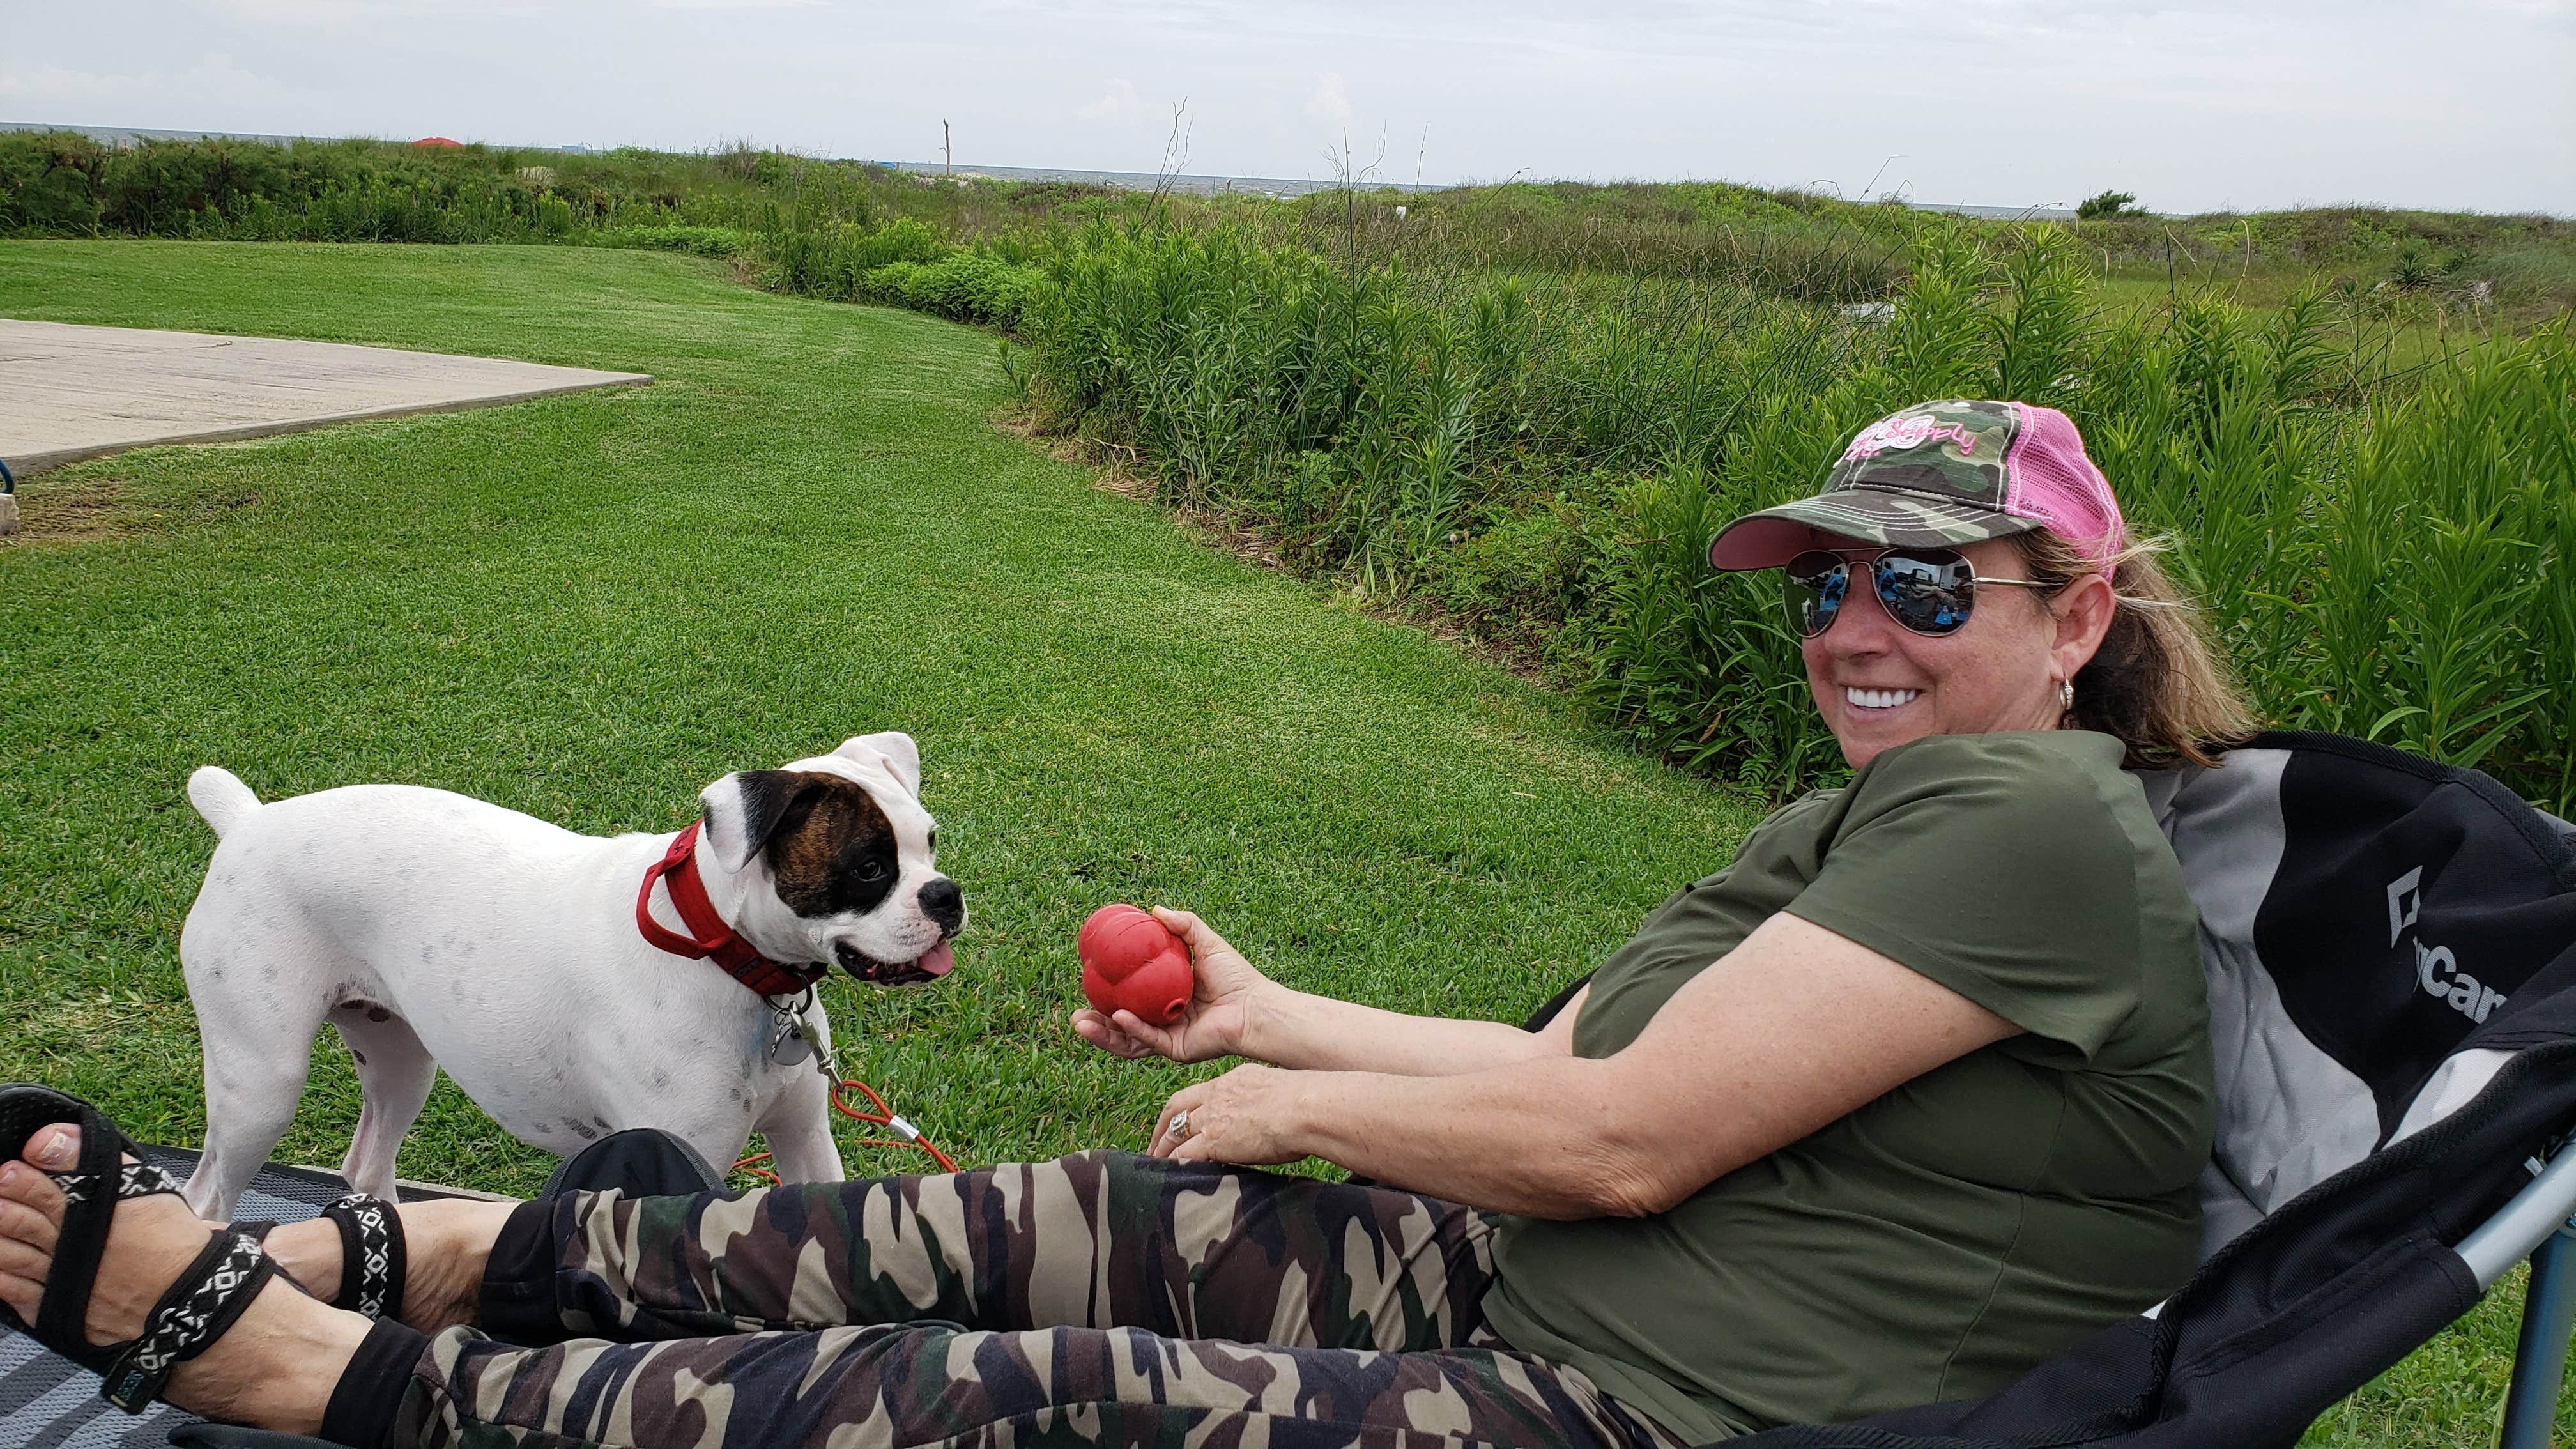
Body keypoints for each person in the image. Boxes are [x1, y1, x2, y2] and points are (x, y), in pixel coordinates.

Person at [0, 399, 2255, 1448]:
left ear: (2076, 622)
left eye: (1929, 581)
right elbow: (1565, 1074)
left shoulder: (2027, 821)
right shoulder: (1887, 811)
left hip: (1659, 1400)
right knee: (1042, 1209)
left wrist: (1291, 1091)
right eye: (1830, 579)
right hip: (1540, 1279)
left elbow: (1623, 1144)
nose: (1857, 623)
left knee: (1001, 1391)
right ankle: (450, 1245)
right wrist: (1273, 1012)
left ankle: (327, 1367)